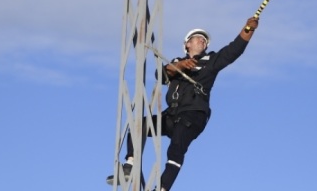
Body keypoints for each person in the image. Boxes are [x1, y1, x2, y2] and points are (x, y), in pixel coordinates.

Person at [107, 16, 259, 191]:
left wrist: (248, 29)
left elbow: (234, 50)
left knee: (176, 147)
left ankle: (162, 188)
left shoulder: (211, 62)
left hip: (193, 114)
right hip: (172, 114)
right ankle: (130, 165)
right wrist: (181, 65)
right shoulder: (176, 63)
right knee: (138, 124)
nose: (202, 40)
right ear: (187, 44)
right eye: (197, 38)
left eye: (204, 40)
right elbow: (161, 75)